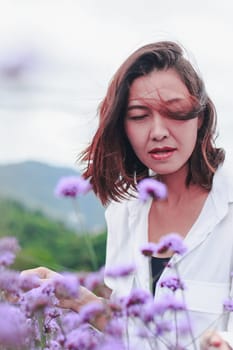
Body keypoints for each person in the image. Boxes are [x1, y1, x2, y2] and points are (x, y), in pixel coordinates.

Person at [22, 41, 233, 349]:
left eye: (174, 111)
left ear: (199, 117)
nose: (158, 130)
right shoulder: (123, 210)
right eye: (139, 115)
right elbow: (131, 332)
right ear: (122, 127)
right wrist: (79, 299)